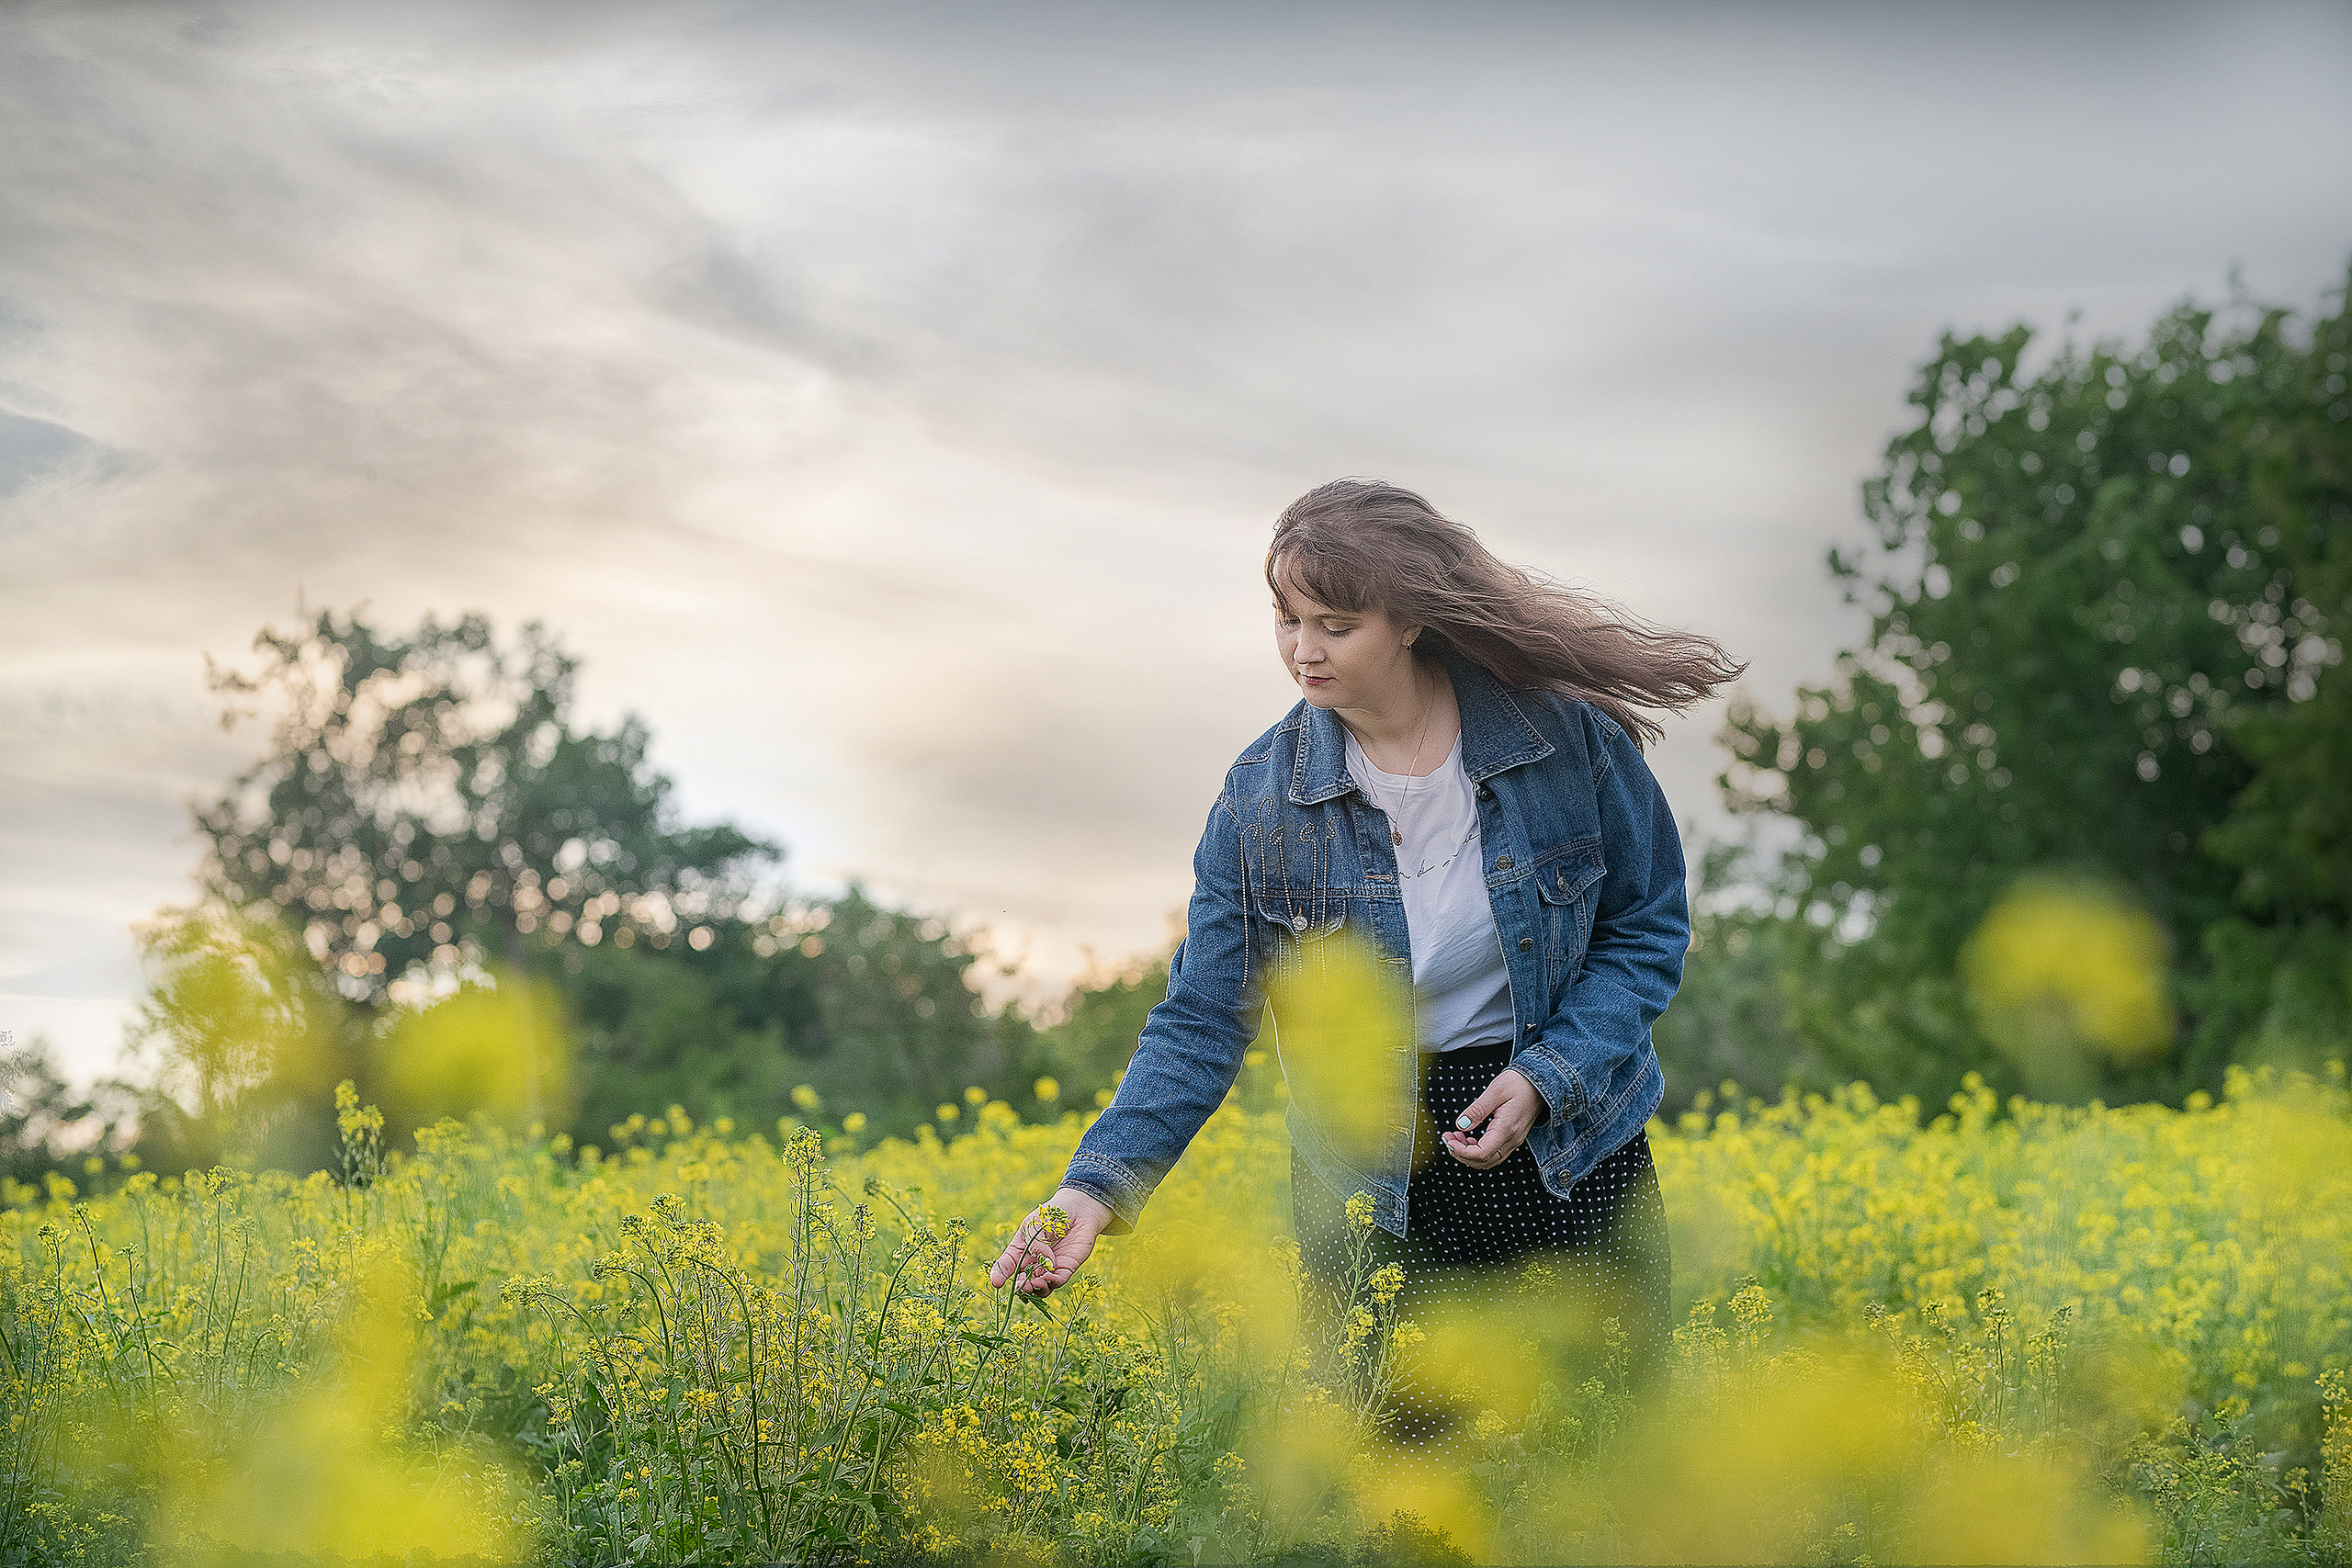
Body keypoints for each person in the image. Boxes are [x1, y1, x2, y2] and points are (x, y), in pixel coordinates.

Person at [988, 478, 1741, 1445]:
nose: (1303, 649)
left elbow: (1643, 930)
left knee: (1600, 1465)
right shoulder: (1260, 803)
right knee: (1406, 1488)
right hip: (1367, 1178)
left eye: (1336, 624)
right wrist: (1090, 1189)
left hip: (1568, 1146)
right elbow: (1202, 1018)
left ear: (1412, 620)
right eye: (1286, 618)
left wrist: (1548, 1075)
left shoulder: (1564, 741)